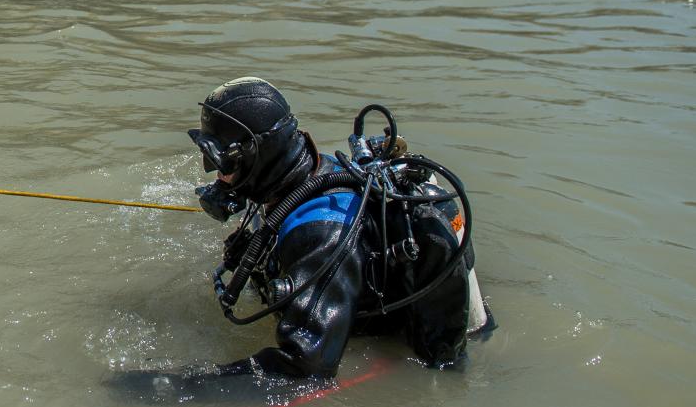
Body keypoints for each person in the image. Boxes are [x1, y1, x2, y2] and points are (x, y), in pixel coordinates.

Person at [182, 77, 492, 384]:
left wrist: (164, 387)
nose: (213, 172)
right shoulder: (303, 173)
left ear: (258, 155)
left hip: (395, 349)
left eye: (220, 161)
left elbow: (305, 371)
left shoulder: (321, 234)